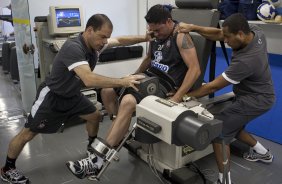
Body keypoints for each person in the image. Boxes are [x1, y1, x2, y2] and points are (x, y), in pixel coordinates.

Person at [0, 13, 151, 184]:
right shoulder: (74, 47)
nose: (104, 41)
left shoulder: (96, 45)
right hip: (52, 97)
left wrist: (145, 37)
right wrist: (123, 81)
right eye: (102, 36)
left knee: (95, 115)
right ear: (89, 30)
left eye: (106, 38)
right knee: (28, 134)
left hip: (72, 95)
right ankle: (7, 169)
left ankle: (91, 146)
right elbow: (89, 79)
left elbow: (121, 40)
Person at [66, 4, 201, 179]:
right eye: (152, 31)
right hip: (148, 76)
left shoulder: (180, 36)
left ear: (168, 22)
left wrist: (177, 97)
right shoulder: (155, 35)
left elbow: (195, 70)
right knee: (107, 91)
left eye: (158, 30)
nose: (155, 34)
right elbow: (149, 58)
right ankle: (121, 129)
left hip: (165, 83)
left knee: (128, 101)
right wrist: (133, 75)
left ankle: (97, 161)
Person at [178, 13, 275, 184]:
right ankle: (262, 153)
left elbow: (213, 86)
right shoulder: (255, 31)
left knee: (220, 132)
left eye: (228, 38)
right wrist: (193, 27)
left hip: (256, 99)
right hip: (254, 93)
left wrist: (183, 95)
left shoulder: (246, 61)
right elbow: (219, 34)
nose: (226, 41)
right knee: (233, 125)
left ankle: (224, 180)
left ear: (240, 34)